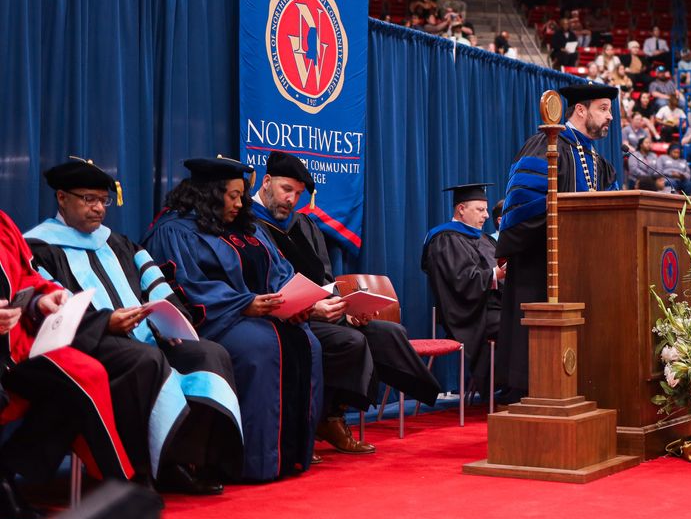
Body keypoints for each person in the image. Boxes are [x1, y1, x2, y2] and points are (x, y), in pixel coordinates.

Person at [26, 159, 243, 494]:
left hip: (142, 337)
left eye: (103, 200)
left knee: (208, 353)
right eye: (88, 199)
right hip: (86, 341)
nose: (98, 208)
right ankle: (136, 473)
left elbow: (158, 288)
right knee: (145, 361)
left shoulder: (121, 244)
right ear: (61, 198)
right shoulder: (39, 248)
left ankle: (178, 461)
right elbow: (52, 305)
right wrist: (105, 323)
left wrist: (170, 325)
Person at [143, 157, 323, 482]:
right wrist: (245, 303)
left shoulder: (249, 229)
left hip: (259, 315)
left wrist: (296, 302)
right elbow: (186, 285)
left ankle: (293, 453)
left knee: (308, 341)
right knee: (263, 345)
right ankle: (253, 462)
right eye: (233, 196)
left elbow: (281, 272)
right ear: (210, 194)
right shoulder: (175, 230)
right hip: (214, 321)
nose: (241, 205)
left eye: (242, 196)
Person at [250, 152, 439, 454]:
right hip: (281, 317)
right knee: (350, 343)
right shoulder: (248, 225)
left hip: (322, 314)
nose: (292, 199)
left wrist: (345, 311)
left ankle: (330, 414)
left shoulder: (304, 225)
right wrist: (314, 311)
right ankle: (318, 420)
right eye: (287, 190)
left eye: (299, 194)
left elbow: (326, 277)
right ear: (267, 181)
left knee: (387, 333)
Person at [0, 209, 135, 519]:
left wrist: (41, 300)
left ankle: (7, 471)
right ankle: (120, 489)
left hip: (14, 350)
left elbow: (26, 275)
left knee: (83, 375)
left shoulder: (4, 223)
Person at [496, 85, 619, 396]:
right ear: (580, 110)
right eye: (604, 109)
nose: (610, 117)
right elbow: (522, 206)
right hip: (541, 266)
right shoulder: (547, 147)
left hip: (583, 271)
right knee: (535, 372)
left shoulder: (597, 160)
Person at [421, 183, 503, 399]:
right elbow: (461, 281)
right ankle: (512, 391)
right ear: (461, 209)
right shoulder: (445, 239)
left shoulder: (483, 239)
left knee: (529, 316)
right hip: (468, 312)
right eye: (480, 209)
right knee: (515, 323)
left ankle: (523, 389)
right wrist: (496, 274)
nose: (486, 215)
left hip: (492, 307)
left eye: (486, 209)